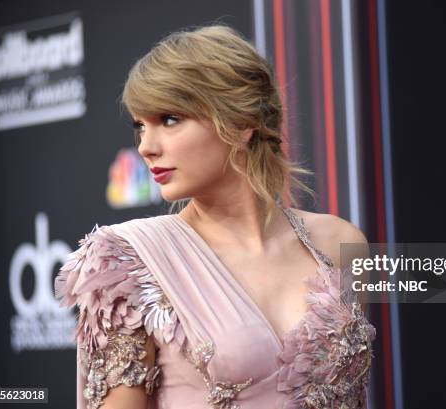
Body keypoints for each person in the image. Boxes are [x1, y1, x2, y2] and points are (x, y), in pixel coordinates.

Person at [54, 24, 376, 409]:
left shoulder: (341, 244)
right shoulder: (127, 261)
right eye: (140, 126)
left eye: (170, 119)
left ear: (241, 124)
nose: (146, 147)